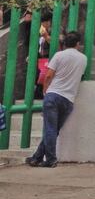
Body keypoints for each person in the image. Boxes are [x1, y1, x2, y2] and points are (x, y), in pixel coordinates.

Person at [26, 31, 87, 168]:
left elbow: (48, 75)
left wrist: (45, 91)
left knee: (50, 129)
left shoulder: (59, 56)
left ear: (64, 43)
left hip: (53, 95)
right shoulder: (83, 58)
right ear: (78, 44)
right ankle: (36, 157)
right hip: (68, 99)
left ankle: (51, 159)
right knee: (53, 129)